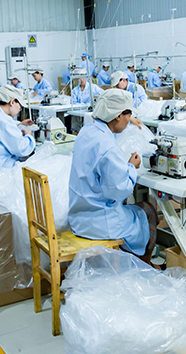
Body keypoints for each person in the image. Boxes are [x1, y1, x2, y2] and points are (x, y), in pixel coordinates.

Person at [68, 88, 159, 266]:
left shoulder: (86, 132)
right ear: (118, 116)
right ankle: (144, 266)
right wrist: (131, 167)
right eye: (128, 115)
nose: (129, 119)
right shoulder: (108, 146)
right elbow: (119, 191)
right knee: (148, 211)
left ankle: (130, 262)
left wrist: (122, 167)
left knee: (135, 210)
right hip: (99, 223)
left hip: (79, 217)